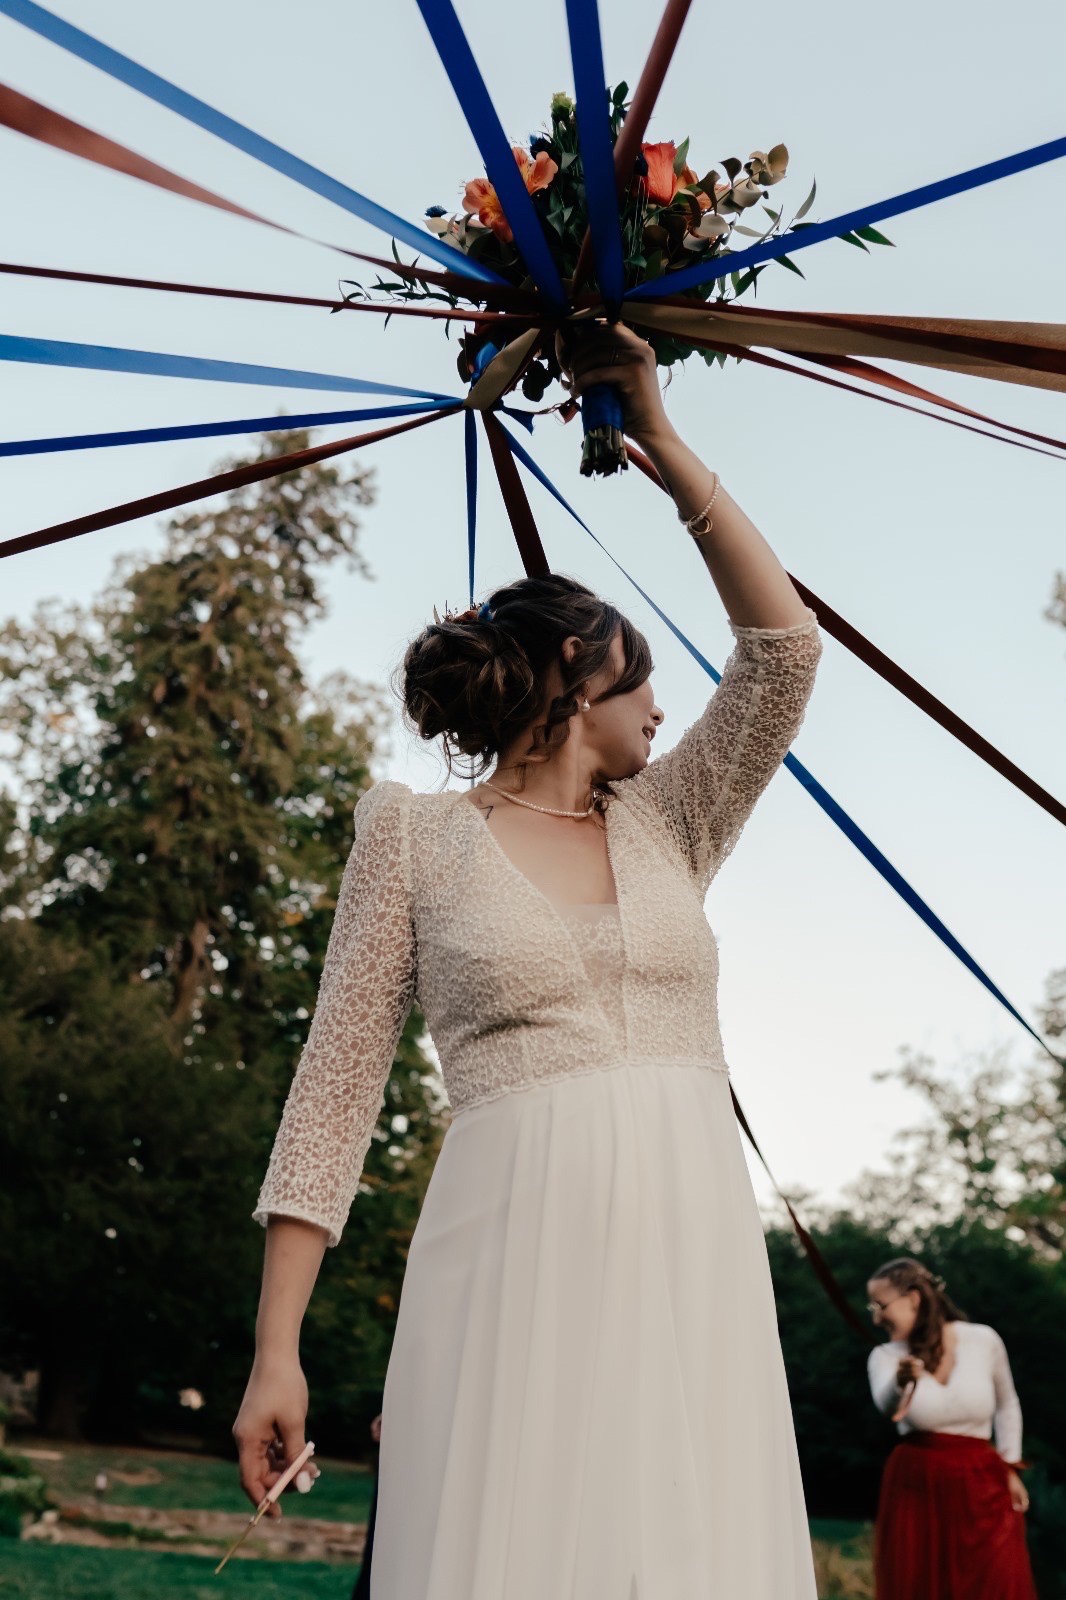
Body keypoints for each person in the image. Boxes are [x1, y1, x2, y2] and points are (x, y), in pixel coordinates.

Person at [233, 321, 824, 1598]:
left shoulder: (672, 820)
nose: (662, 708)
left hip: (693, 1257)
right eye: (641, 677)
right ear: (575, 669)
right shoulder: (412, 837)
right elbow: (333, 1094)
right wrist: (277, 1350)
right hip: (509, 1261)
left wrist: (658, 436)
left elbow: (783, 656)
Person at [866, 1255, 1036, 1600]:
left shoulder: (983, 1340)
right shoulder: (884, 1356)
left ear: (913, 1298)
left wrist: (1010, 1466)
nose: (876, 1318)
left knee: (996, 1580)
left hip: (982, 1482)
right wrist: (900, 1382)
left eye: (881, 1306)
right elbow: (887, 1407)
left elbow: (1007, 1404)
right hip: (917, 1484)